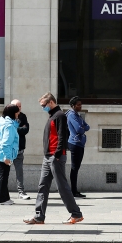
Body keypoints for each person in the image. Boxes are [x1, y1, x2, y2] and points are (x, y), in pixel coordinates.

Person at [24, 93, 84, 225]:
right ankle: (39, 216)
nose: (42, 108)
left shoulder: (60, 116)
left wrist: (57, 154)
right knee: (42, 186)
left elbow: (63, 136)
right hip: (48, 157)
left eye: (43, 105)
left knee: (62, 186)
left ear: (51, 102)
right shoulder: (52, 116)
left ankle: (76, 214)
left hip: (55, 157)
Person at [0, 104, 21, 205]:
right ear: (13, 113)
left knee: (2, 175)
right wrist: (7, 157)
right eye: (17, 112)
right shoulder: (9, 126)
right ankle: (0, 199)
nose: (18, 113)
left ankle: (5, 197)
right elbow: (6, 143)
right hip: (3, 154)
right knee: (3, 177)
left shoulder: (1, 121)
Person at [65, 96, 90, 198]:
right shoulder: (71, 115)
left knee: (76, 167)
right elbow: (79, 129)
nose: (80, 106)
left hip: (80, 143)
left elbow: (87, 126)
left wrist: (83, 127)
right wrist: (82, 127)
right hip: (75, 143)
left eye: (81, 104)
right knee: (74, 168)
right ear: (73, 106)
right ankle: (73, 191)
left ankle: (74, 190)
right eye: (78, 105)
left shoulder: (77, 115)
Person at [10, 99, 30, 199]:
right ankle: (1, 190)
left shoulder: (23, 116)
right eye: (16, 106)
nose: (18, 108)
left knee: (19, 171)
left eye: (20, 106)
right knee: (4, 171)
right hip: (8, 149)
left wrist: (14, 129)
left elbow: (25, 129)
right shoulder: (7, 117)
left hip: (19, 149)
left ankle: (21, 191)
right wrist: (18, 128)